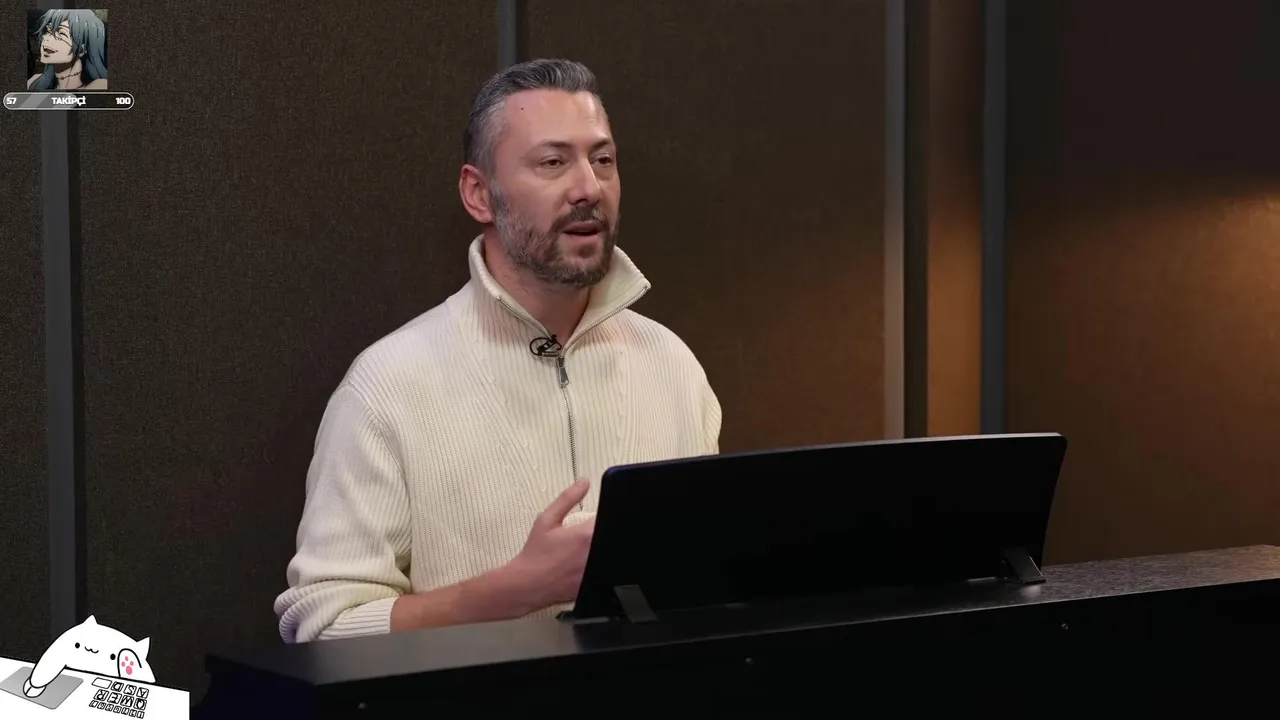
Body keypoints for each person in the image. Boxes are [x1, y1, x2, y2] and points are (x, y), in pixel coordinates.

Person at [274, 59, 722, 643]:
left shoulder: (671, 365)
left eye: (602, 160)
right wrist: (513, 591)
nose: (588, 187)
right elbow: (320, 627)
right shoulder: (387, 385)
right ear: (479, 194)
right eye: (553, 162)